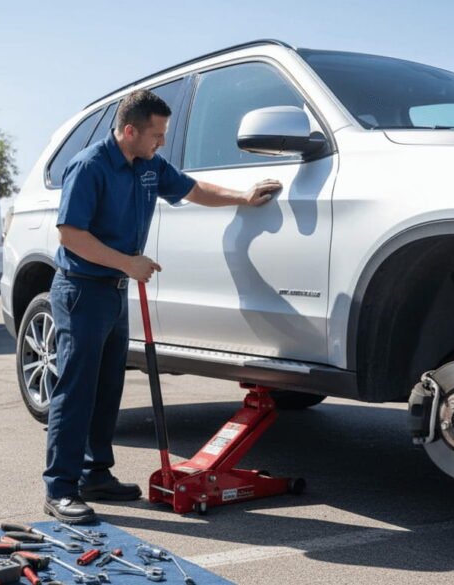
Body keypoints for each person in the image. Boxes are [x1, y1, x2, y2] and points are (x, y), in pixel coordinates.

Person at [44, 88, 281, 523]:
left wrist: (243, 197)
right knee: (76, 390)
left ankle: (96, 475)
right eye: (157, 133)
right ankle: (60, 488)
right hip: (82, 291)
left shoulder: (149, 164)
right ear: (130, 130)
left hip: (115, 291)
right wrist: (127, 262)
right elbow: (71, 235)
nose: (162, 142)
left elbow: (194, 189)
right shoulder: (90, 167)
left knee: (107, 388)